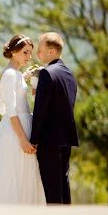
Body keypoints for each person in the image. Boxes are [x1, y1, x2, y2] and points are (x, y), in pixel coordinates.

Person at [0, 33, 46, 204]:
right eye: (25, 52)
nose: (29, 57)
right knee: (13, 177)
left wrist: (23, 78)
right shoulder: (10, 75)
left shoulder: (15, 74)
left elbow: (6, 99)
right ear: (14, 52)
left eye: (30, 53)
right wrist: (22, 139)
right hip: (15, 133)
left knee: (23, 177)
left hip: (22, 127)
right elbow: (10, 110)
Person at [30, 32, 79, 204]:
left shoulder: (46, 73)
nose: (38, 54)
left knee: (52, 191)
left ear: (51, 52)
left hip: (49, 141)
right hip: (66, 140)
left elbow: (40, 111)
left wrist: (33, 139)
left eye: (40, 50)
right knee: (63, 186)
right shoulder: (70, 75)